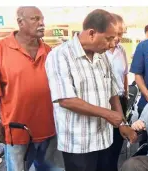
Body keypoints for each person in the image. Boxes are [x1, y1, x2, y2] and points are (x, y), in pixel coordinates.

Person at [45, 9, 137, 171]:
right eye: (108, 39)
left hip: (104, 139)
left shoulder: (103, 57)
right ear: (92, 33)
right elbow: (66, 100)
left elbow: (113, 92)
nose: (111, 44)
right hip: (79, 143)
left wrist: (122, 123)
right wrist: (107, 114)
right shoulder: (60, 55)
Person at [0, 6, 56, 171]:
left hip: (49, 130)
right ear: (20, 22)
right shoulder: (0, 49)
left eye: (42, 19)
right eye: (35, 19)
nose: (42, 23)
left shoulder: (49, 52)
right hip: (17, 132)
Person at [105, 13, 130, 171]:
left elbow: (125, 74)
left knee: (117, 142)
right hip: (104, 103)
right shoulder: (99, 52)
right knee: (105, 146)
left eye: (121, 34)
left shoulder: (121, 51)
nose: (119, 38)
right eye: (117, 33)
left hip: (120, 100)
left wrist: (126, 94)